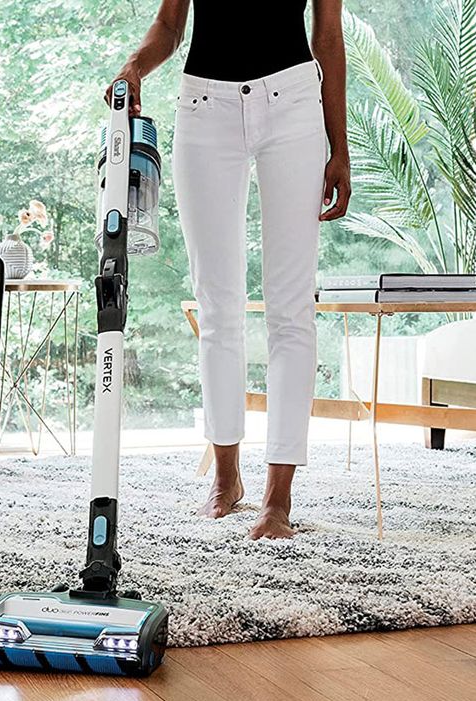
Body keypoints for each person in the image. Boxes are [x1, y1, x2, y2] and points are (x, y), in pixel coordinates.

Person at [109, 0, 350, 539]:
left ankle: (278, 497)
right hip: (203, 107)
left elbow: (327, 34)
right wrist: (134, 65)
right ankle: (225, 479)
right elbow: (171, 25)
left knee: (291, 309)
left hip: (294, 104)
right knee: (218, 307)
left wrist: (341, 147)